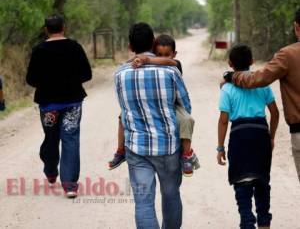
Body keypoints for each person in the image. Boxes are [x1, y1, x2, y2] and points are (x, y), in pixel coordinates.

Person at [114, 23, 191, 229]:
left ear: (130, 46)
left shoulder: (120, 74)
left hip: (137, 148)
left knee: (143, 203)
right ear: (153, 42)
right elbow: (186, 107)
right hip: (168, 146)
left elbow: (124, 111)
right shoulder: (170, 71)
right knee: (171, 195)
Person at [224, 8, 300, 182]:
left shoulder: (288, 55)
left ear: (296, 27)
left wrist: (231, 76)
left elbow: (258, 79)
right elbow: (274, 112)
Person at [109, 34, 200, 177]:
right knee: (122, 117)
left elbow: (167, 62)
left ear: (174, 54)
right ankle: (121, 150)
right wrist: (132, 61)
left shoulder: (174, 64)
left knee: (187, 119)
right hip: (156, 104)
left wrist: (147, 59)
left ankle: (187, 154)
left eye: (166, 54)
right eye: (159, 54)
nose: (162, 57)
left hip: (173, 106)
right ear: (153, 50)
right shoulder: (146, 64)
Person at [26, 14, 92, 198]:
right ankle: (70, 186)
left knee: (51, 136)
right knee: (70, 139)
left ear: (46, 29)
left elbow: (30, 79)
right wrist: (70, 80)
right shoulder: (75, 47)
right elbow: (87, 74)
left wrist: (47, 83)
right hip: (72, 102)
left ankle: (50, 171)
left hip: (48, 104)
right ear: (64, 27)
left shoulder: (39, 50)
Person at [218, 44, 279, 229]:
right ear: (252, 62)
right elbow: (275, 114)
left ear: (230, 64)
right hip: (261, 134)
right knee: (262, 182)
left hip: (239, 137)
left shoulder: (227, 89)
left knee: (242, 183)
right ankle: (264, 223)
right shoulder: (262, 85)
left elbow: (223, 121)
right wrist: (271, 137)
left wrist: (220, 147)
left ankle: (246, 221)